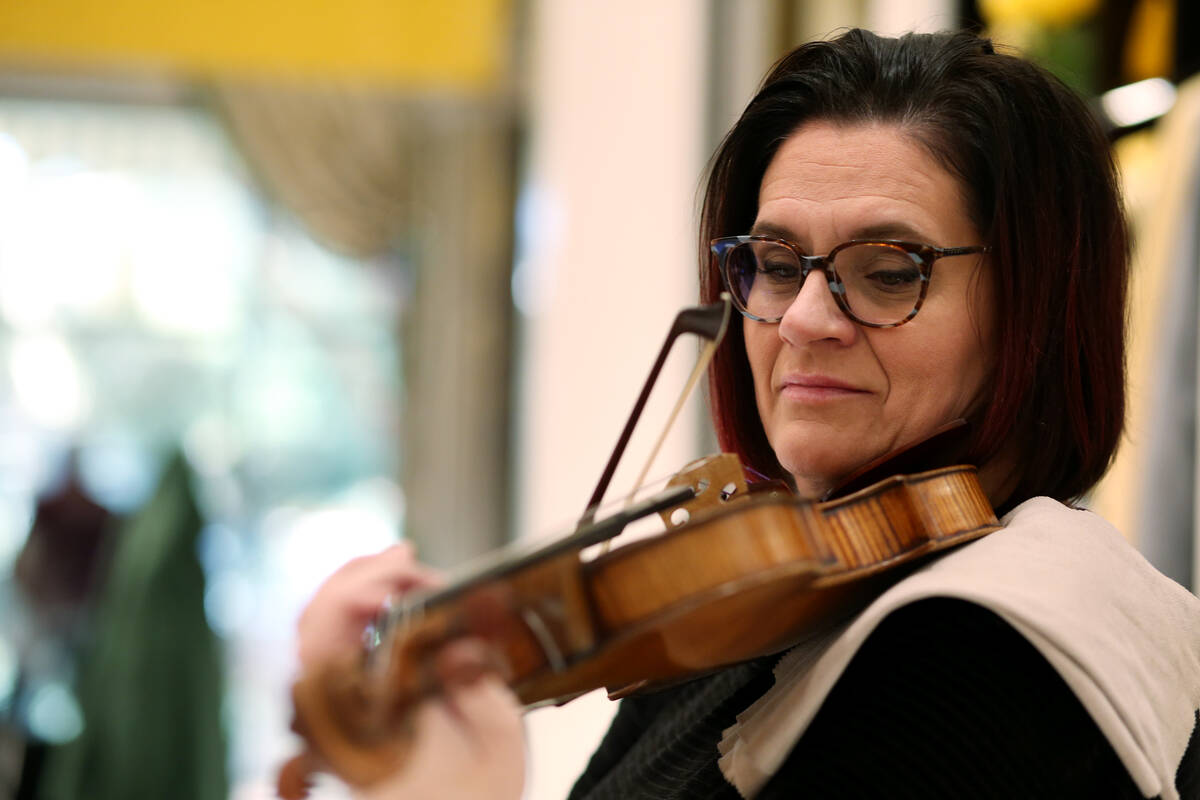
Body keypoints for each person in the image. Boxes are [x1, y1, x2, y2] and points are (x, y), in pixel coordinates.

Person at [295, 29, 1200, 799]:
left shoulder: (982, 655)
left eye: (888, 270)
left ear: (1036, 310)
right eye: (774, 264)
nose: (803, 318)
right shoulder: (754, 603)